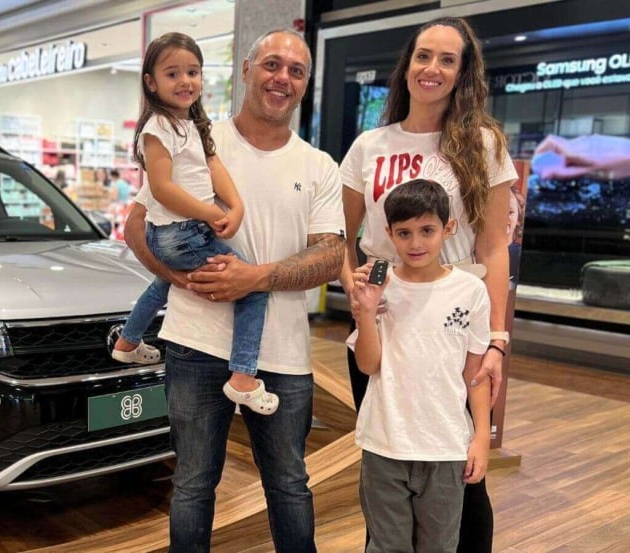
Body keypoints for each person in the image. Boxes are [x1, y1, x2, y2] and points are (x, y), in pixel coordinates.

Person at [126, 29, 344, 552]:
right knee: (194, 485)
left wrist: (255, 278)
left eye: (295, 71)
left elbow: (331, 254)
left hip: (283, 354)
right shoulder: (192, 137)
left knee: (290, 485)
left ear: (305, 84)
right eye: (271, 64)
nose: (282, 78)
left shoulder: (318, 166)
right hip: (196, 344)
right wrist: (180, 278)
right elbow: (138, 225)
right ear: (246, 70)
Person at [338, 17, 517, 552]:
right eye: (423, 56)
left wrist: (498, 340)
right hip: (383, 323)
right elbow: (341, 239)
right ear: (407, 65)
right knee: (386, 466)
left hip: (453, 325)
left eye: (447, 59)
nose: (432, 68)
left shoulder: (481, 144)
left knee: (464, 469)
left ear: (463, 72)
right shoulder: (370, 144)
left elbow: (492, 249)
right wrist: (357, 294)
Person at [112, 32, 277, 415]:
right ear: (150, 82)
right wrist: (211, 212)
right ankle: (243, 378)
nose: (185, 81)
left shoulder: (190, 123)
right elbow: (162, 188)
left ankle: (127, 341)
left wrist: (234, 207)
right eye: (173, 73)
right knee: (253, 287)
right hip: (181, 233)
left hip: (177, 233)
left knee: (164, 282)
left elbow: (213, 165)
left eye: (193, 71)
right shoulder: (158, 128)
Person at [349, 179, 491, 553]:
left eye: (427, 230)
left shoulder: (470, 290)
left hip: (445, 445)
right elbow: (368, 365)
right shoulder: (377, 283)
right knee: (386, 546)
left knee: (440, 546)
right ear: (389, 234)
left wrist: (480, 437)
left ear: (448, 228)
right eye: (404, 233)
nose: (415, 243)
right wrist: (365, 312)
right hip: (385, 443)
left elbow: (475, 374)